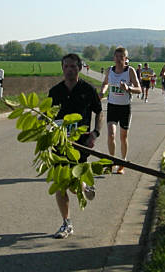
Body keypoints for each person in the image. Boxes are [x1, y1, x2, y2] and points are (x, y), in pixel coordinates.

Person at [48, 53, 103, 239]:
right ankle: (66, 223)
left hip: (81, 144)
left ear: (79, 68)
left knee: (73, 184)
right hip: (59, 144)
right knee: (60, 184)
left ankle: (84, 185)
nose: (69, 70)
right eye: (66, 67)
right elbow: (47, 116)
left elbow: (98, 112)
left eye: (73, 66)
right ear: (62, 69)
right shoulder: (55, 92)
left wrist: (95, 133)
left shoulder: (87, 89)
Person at [99, 47, 141, 174]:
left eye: (121, 57)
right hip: (112, 106)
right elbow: (105, 83)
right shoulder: (110, 70)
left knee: (123, 137)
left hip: (125, 108)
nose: (118, 59)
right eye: (116, 57)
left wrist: (128, 88)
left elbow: (139, 89)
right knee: (111, 134)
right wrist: (102, 91)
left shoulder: (130, 71)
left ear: (126, 59)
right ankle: (112, 162)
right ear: (113, 58)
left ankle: (122, 162)